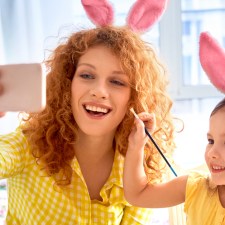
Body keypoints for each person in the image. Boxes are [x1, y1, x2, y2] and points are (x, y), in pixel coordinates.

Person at [0, 24, 175, 224]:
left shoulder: (138, 164)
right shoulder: (26, 145)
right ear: (67, 85)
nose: (99, 90)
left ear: (134, 99)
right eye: (87, 76)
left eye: (117, 82)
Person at [124, 97, 225, 225]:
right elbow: (137, 194)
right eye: (211, 141)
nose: (212, 153)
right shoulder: (195, 187)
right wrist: (136, 145)